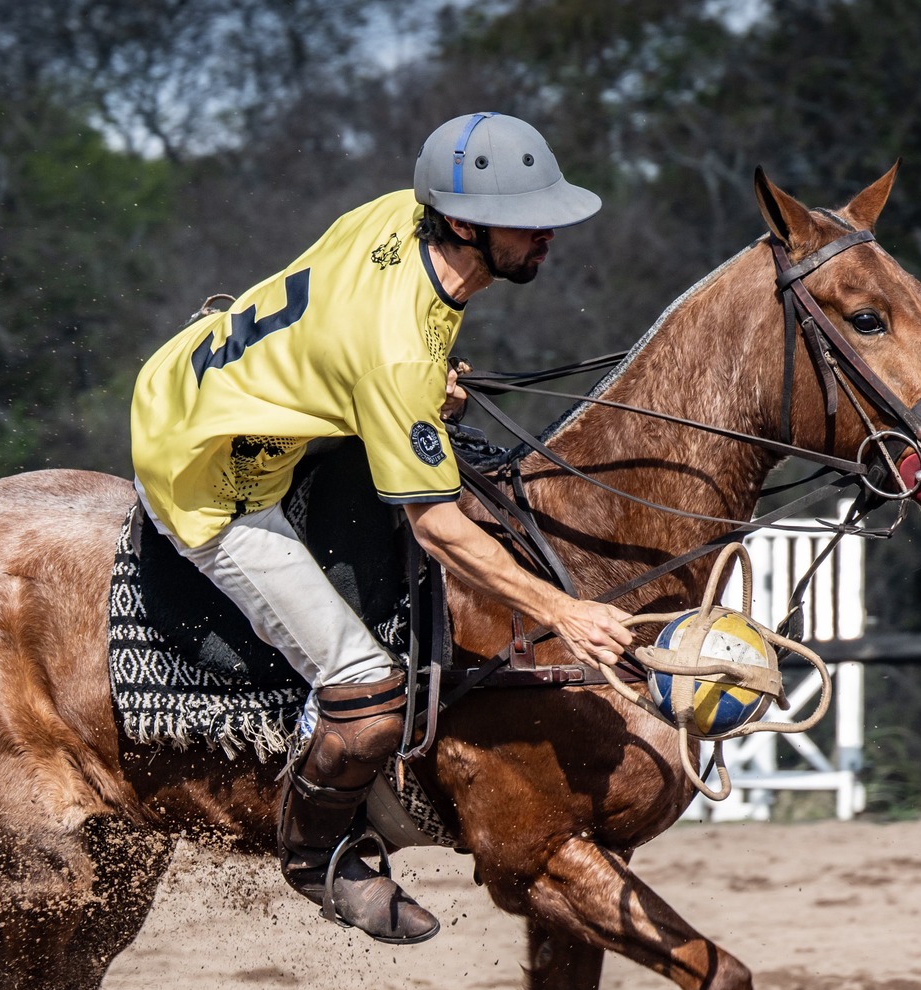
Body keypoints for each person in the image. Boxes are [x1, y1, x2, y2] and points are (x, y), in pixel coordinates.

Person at [129, 113, 633, 946]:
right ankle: (314, 854)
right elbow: (436, 527)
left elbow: (359, 329)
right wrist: (566, 613)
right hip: (208, 478)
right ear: (465, 223)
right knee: (366, 698)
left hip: (187, 378)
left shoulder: (402, 211)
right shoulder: (398, 350)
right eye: (527, 218)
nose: (548, 233)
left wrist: (416, 389)